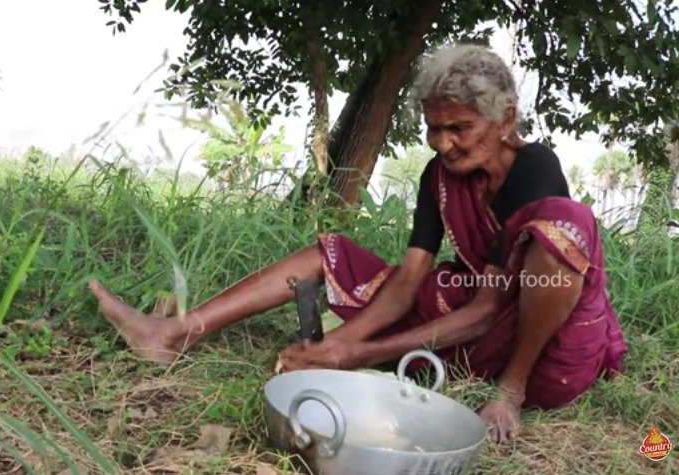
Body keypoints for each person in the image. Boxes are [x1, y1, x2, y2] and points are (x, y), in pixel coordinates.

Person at [88, 44, 627, 443]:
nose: (444, 144)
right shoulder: (440, 177)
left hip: (543, 349)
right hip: (474, 317)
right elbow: (410, 280)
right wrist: (340, 348)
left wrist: (357, 352)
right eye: (433, 130)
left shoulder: (535, 168)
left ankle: (508, 389)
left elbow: (490, 310)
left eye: (459, 128)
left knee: (565, 220)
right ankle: (177, 332)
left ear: (505, 119)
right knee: (331, 252)